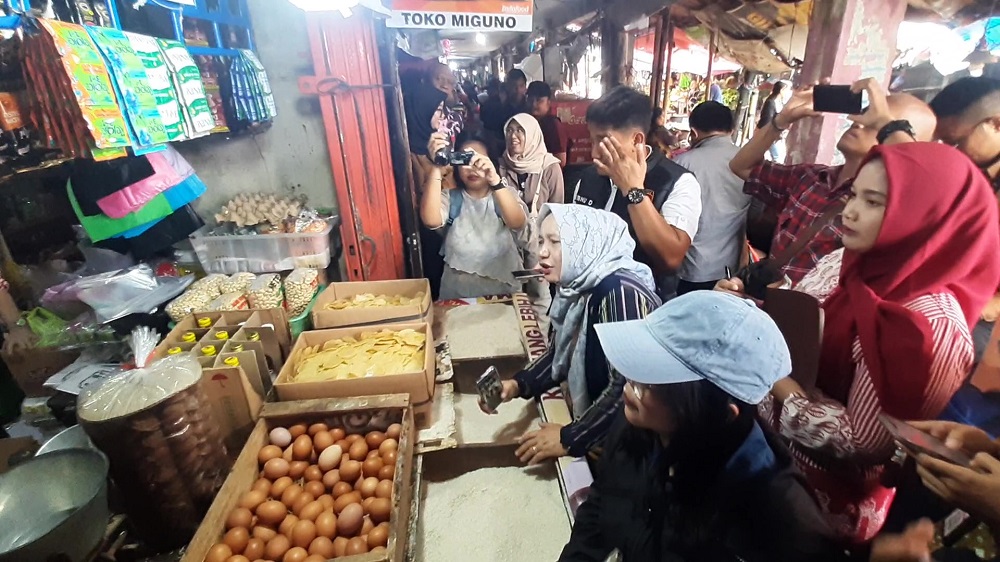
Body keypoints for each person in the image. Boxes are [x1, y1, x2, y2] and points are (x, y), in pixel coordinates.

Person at [721, 142, 1000, 544]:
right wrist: (750, 307)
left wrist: (779, 383)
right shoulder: (848, 260)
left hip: (824, 500)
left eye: (874, 202)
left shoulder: (927, 326)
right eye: (854, 194)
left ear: (928, 216)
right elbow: (805, 322)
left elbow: (866, 442)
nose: (849, 211)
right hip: (768, 453)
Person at [563, 290, 866, 561]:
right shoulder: (638, 427)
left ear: (722, 413)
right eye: (636, 368)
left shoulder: (781, 517)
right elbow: (602, 505)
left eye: (653, 382)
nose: (630, 386)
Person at [486, 204, 660, 464]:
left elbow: (629, 387)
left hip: (631, 444)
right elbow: (560, 353)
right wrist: (518, 385)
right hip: (603, 432)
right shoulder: (577, 287)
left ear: (587, 244)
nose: (542, 253)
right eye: (542, 241)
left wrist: (571, 437)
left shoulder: (620, 293)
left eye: (556, 242)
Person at [729, 81, 937, 285]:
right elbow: (742, 166)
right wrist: (782, 120)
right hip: (766, 306)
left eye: (879, 122)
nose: (859, 121)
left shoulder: (893, 213)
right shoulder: (812, 177)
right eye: (867, 112)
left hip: (814, 317)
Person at [571, 86, 702, 298]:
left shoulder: (677, 182)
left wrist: (632, 189)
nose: (594, 152)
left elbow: (670, 258)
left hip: (644, 311)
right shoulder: (588, 178)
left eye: (603, 141)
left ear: (637, 140)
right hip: (587, 304)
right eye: (591, 140)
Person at [929, 77, 1000, 364]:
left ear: (995, 124)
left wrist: (989, 305)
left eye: (956, 141)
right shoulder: (974, 176)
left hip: (974, 320)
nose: (951, 150)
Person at [421, 130, 528, 299]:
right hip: (457, 296)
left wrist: (495, 180)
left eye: (478, 160)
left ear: (491, 162)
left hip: (503, 296)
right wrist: (437, 167)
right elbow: (430, 220)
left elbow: (518, 223)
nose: (472, 168)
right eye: (465, 160)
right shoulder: (451, 198)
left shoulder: (504, 196)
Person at [673, 101, 751, 295]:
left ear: (694, 132)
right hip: (732, 270)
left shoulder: (683, 163)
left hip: (692, 268)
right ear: (731, 129)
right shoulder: (749, 161)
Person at [500, 113, 563, 326]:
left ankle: (541, 345)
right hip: (508, 239)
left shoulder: (550, 167)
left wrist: (551, 248)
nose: (514, 136)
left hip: (539, 242)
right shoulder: (501, 163)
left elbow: (557, 210)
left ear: (533, 135)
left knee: (540, 294)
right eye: (510, 130)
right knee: (511, 291)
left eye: (520, 131)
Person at [526, 81, 567, 166]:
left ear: (548, 102)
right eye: (531, 99)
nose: (534, 104)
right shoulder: (527, 121)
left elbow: (560, 161)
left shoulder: (553, 125)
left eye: (539, 100)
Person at [757, 80, 791, 163]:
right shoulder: (771, 102)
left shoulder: (778, 102)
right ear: (782, 90)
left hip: (776, 134)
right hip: (771, 134)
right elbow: (766, 119)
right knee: (778, 158)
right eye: (787, 90)